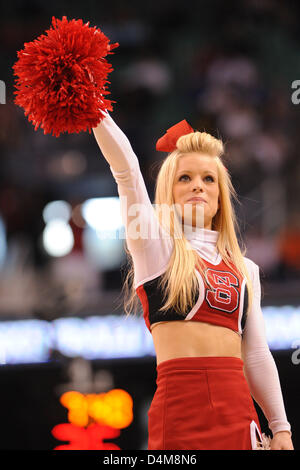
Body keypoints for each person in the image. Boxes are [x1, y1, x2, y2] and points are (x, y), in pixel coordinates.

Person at [92, 113, 293, 450]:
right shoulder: (154, 247)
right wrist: (91, 105)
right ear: (169, 191)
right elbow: (126, 168)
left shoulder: (246, 269)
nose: (198, 185)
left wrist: (281, 428)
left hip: (239, 417)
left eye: (208, 179)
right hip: (180, 414)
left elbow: (256, 355)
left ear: (220, 197)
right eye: (185, 177)